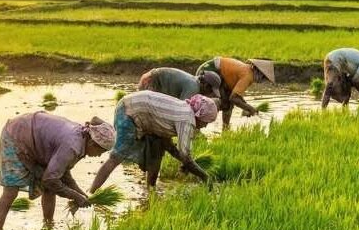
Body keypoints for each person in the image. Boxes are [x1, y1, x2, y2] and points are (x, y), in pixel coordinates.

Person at [0, 112, 115, 230]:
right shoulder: (72, 146)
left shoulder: (81, 138)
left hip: (35, 139)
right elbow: (50, 179)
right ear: (92, 143)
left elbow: (62, 173)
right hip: (16, 135)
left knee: (50, 189)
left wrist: (80, 194)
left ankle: (48, 226)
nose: (98, 156)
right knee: (11, 191)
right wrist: (75, 196)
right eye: (100, 152)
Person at [90, 91, 218, 191]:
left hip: (143, 115)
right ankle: (91, 193)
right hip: (129, 112)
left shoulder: (185, 109)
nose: (205, 126)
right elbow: (185, 155)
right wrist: (204, 176)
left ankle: (150, 190)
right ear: (199, 116)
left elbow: (169, 146)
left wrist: (186, 164)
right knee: (117, 156)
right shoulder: (186, 119)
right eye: (206, 122)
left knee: (156, 152)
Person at [196, 56, 277, 127]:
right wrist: (251, 109)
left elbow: (236, 95)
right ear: (259, 73)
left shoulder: (248, 70)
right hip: (209, 71)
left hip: (219, 75)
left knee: (228, 104)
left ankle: (225, 129)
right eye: (264, 78)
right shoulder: (248, 76)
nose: (262, 81)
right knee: (215, 103)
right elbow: (234, 98)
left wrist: (245, 108)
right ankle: (198, 126)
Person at [138, 67, 222, 100]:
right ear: (206, 85)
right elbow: (182, 110)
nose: (209, 94)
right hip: (150, 81)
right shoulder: (193, 87)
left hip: (150, 77)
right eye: (211, 91)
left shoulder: (194, 81)